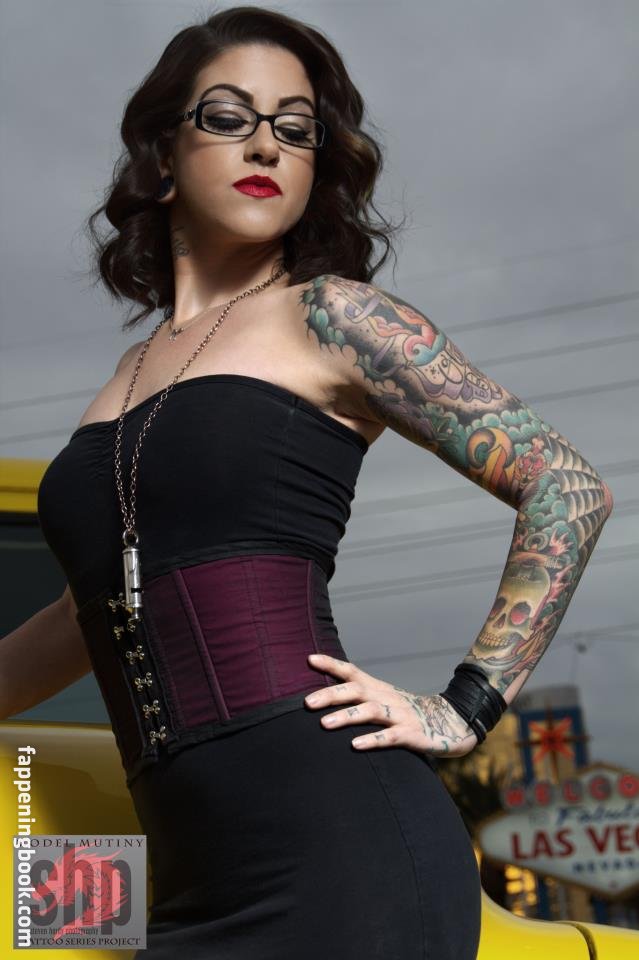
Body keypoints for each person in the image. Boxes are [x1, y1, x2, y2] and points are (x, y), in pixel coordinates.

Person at [8, 6, 614, 959]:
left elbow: (566, 490)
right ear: (161, 155)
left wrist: (463, 706)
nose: (266, 145)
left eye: (295, 130)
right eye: (227, 116)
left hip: (344, 853)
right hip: (189, 874)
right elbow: (92, 609)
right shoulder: (125, 377)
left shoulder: (335, 318)